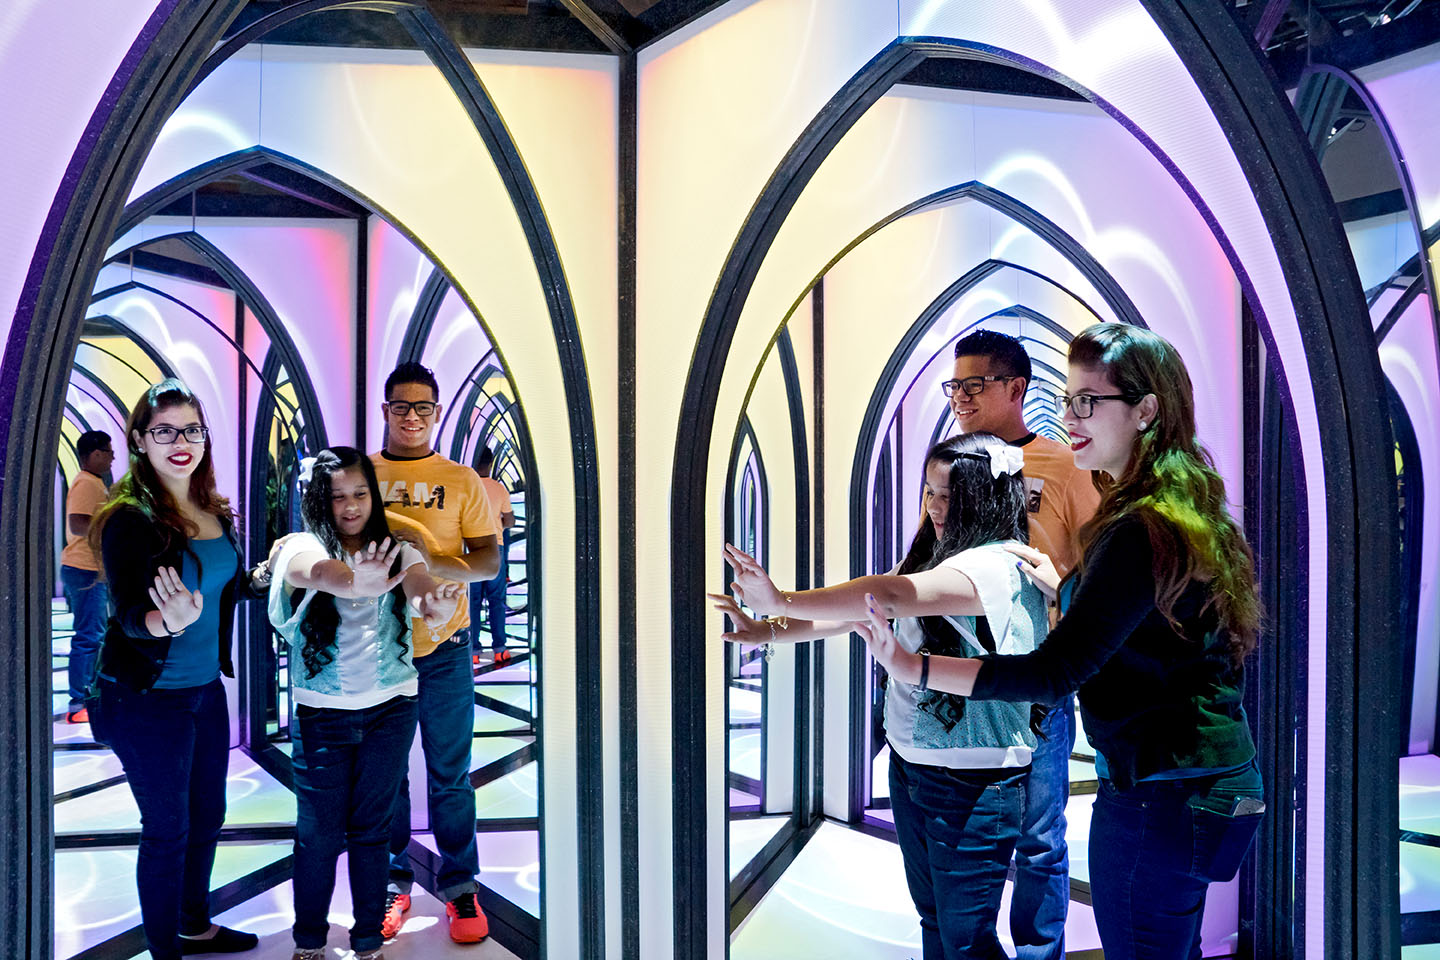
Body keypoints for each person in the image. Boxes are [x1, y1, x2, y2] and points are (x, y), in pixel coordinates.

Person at [860, 323, 1264, 960]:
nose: (1069, 415)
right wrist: (1061, 590)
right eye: (1068, 398)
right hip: (1210, 782)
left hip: (1159, 792)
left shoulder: (1139, 527)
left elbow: (1055, 672)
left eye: (1087, 401)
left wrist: (913, 665)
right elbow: (1162, 634)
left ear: (1145, 411)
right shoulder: (1180, 509)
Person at [714, 432, 1048, 959]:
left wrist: (780, 597)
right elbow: (857, 615)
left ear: (982, 497)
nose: (935, 507)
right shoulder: (938, 557)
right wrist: (769, 629)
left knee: (967, 941)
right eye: (929, 492)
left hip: (975, 783)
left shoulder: (998, 564)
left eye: (949, 495)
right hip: (914, 767)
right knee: (936, 922)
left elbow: (887, 595)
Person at [88, 379, 268, 960]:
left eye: (190, 429)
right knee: (168, 830)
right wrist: (168, 620)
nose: (179, 441)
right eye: (164, 431)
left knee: (207, 816)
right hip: (144, 698)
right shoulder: (129, 519)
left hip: (203, 691)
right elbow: (129, 616)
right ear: (140, 439)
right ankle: (166, 951)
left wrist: (279, 571)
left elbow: (229, 585)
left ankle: (194, 924)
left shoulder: (210, 508)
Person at [268, 448, 461, 960]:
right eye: (337, 497)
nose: (350, 506)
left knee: (373, 832)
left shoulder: (398, 547)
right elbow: (317, 574)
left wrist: (432, 602)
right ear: (318, 500)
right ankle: (309, 941)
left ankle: (368, 941)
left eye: (360, 494)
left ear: (374, 497)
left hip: (391, 710)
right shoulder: (300, 546)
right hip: (322, 714)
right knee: (319, 835)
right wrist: (357, 582)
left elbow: (419, 587)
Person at [945, 330, 1099, 960]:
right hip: (963, 682)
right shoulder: (953, 463)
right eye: (954, 387)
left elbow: (1096, 568)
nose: (960, 399)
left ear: (1016, 388)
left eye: (973, 386)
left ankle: (1040, 953)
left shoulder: (1064, 466)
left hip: (1037, 688)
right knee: (963, 835)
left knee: (1039, 838)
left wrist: (1061, 591)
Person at [370, 362, 499, 942]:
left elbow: (489, 562)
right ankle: (393, 885)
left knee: (450, 774)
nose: (413, 417)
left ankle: (460, 888)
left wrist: (420, 556)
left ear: (437, 412)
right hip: (376, 648)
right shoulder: (360, 475)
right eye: (402, 407)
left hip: (445, 645)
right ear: (385, 411)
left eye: (424, 408)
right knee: (387, 774)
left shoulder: (463, 479)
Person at [60, 429, 114, 723]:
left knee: (93, 634)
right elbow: (78, 524)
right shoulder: (87, 483)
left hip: (88, 569)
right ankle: (78, 703)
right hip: (85, 569)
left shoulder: (92, 482)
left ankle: (86, 697)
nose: (112, 457)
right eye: (108, 451)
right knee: (88, 636)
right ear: (94, 454)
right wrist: (111, 524)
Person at [470, 446, 515, 663]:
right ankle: (500, 649)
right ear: (491, 463)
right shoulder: (499, 489)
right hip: (495, 547)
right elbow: (510, 520)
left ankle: (474, 652)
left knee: (474, 601)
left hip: (470, 550)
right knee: (496, 600)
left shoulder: (467, 487)